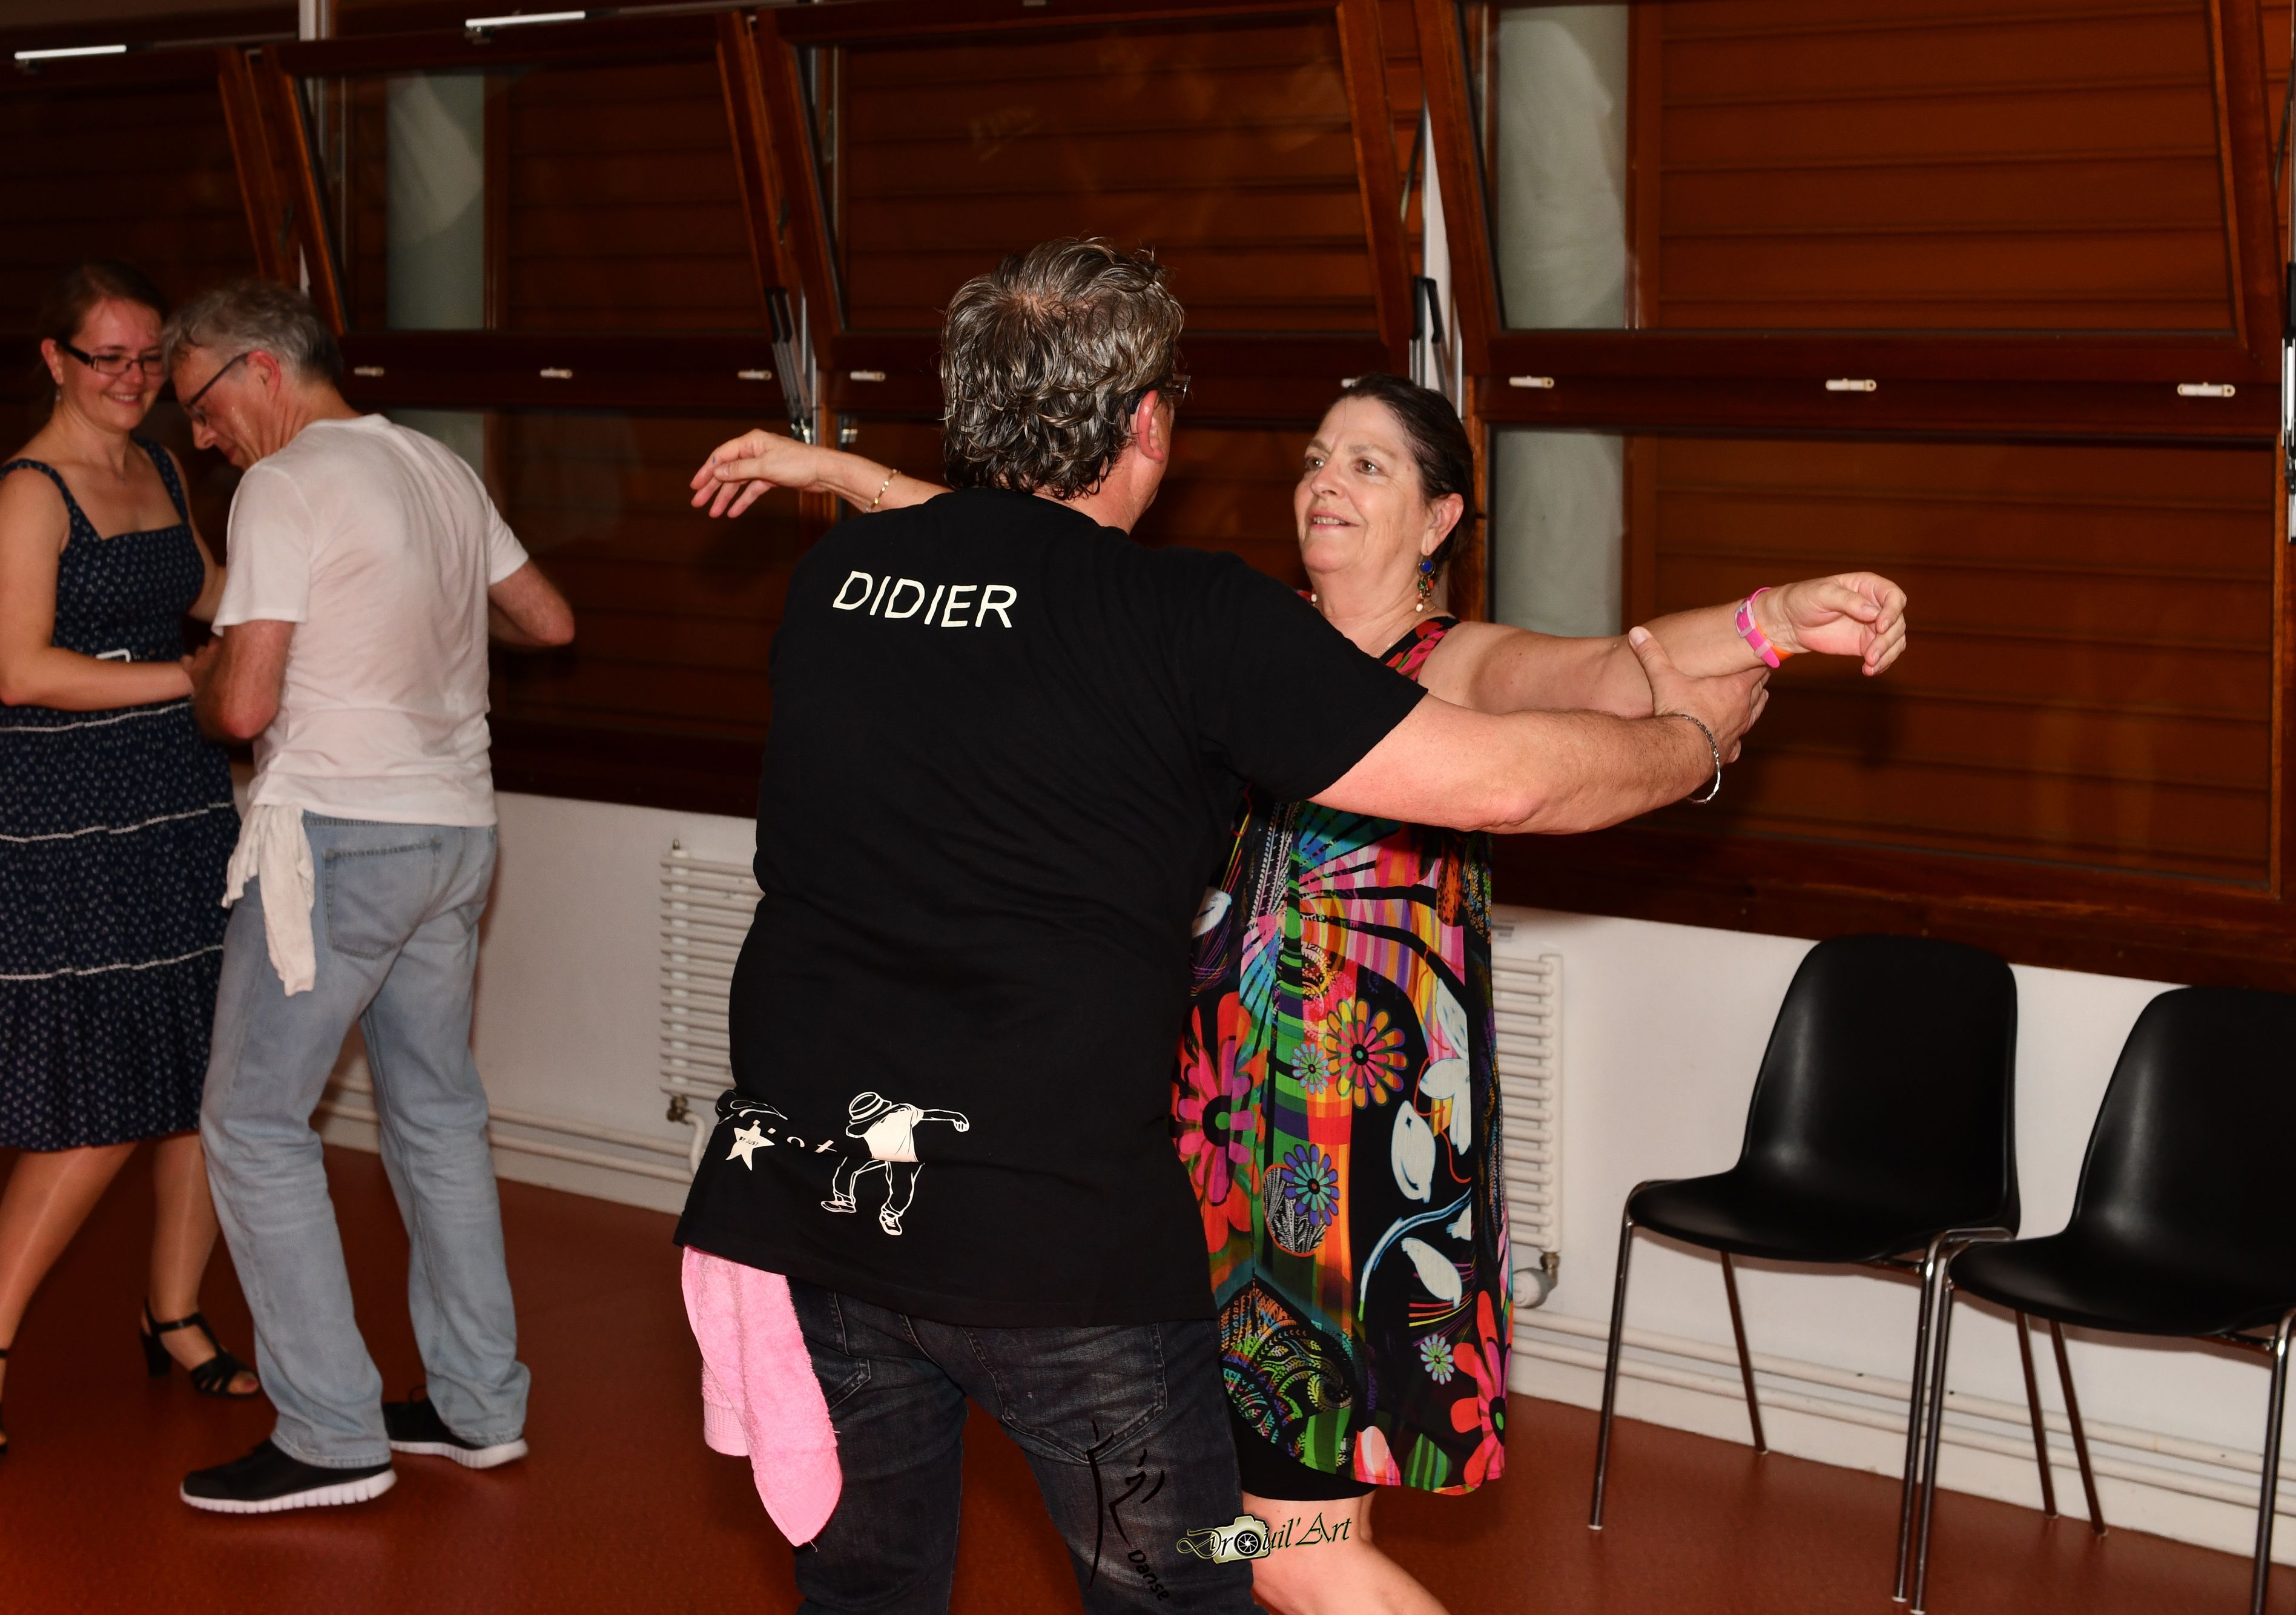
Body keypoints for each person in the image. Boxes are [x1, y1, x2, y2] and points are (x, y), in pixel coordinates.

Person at [672, 237, 1773, 1615]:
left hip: (813, 1208)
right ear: (1147, 425)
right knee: (1185, 1591)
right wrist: (1691, 746)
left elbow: (998, 580)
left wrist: (845, 477)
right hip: (1057, 1249)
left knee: (866, 1595)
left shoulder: (837, 585)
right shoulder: (1187, 619)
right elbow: (1509, 783)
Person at [157, 280, 576, 1514]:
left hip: (340, 836)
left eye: (201, 404)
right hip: (456, 830)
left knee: (251, 1123)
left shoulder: (285, 484)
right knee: (438, 1117)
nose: (201, 435)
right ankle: (477, 1405)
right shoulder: (437, 466)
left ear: (259, 368)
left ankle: (332, 1430)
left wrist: (201, 677)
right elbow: (547, 619)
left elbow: (243, 705)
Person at [0, 260, 265, 1458]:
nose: (132, 377)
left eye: (150, 357)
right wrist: (189, 682)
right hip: (71, 808)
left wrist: (310, 601)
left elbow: (208, 592)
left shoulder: (159, 465)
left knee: (205, 1072)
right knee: (96, 1100)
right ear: (54, 360)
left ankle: (173, 1313)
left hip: (176, 797)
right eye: (106, 356)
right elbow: (20, 671)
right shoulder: (28, 491)